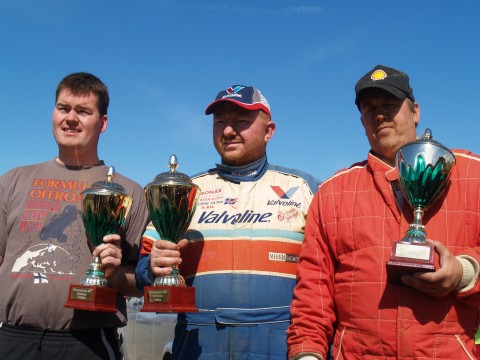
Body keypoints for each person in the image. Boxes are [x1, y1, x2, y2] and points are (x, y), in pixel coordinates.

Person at [287, 64, 480, 360]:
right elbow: (314, 289)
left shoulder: (472, 175)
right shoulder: (333, 192)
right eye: (369, 109)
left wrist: (465, 273)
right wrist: (307, 355)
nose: (379, 114)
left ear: (415, 111)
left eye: (390, 104)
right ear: (362, 122)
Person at [135, 85, 320, 359]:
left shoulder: (304, 187)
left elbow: (327, 276)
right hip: (199, 343)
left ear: (269, 131)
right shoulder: (185, 190)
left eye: (241, 121)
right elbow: (142, 272)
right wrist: (152, 267)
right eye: (220, 122)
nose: (228, 130)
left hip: (280, 342)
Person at [0, 72, 149, 360]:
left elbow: (141, 283)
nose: (70, 118)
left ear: (102, 123)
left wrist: (115, 274)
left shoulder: (130, 192)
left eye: (83, 111)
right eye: (63, 108)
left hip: (89, 344)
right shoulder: (12, 180)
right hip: (12, 339)